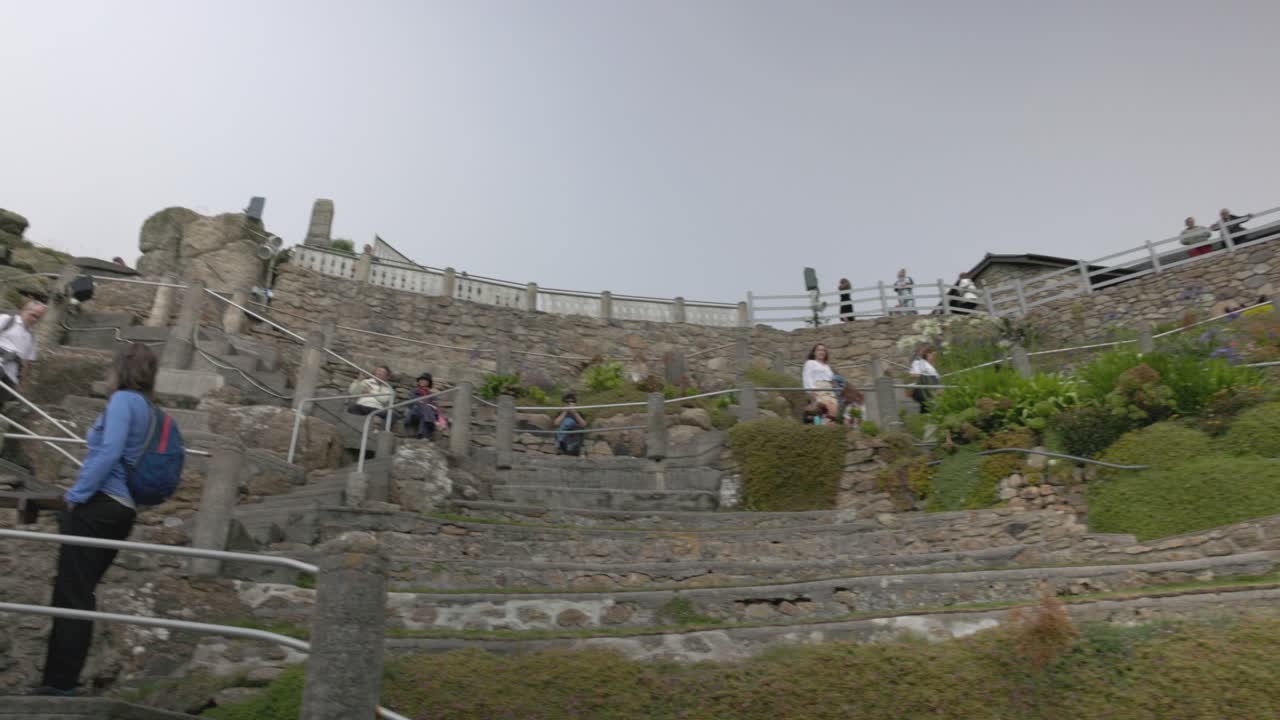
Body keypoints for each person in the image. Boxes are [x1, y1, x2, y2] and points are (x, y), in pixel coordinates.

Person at [33, 344, 157, 696]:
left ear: (122, 369)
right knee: (80, 592)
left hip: (100, 505)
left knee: (71, 594)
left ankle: (59, 684)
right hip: (124, 509)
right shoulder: (147, 407)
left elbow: (109, 451)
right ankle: (62, 680)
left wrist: (76, 495)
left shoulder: (122, 402)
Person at [0, 300, 47, 408]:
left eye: (38, 318)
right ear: (24, 310)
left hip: (11, 376)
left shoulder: (31, 338)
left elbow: (27, 363)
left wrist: (21, 382)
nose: (34, 320)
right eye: (33, 315)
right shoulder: (6, 320)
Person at [802, 343, 839, 418]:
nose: (821, 352)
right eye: (819, 350)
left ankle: (828, 426)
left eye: (823, 350)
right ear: (814, 352)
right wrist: (811, 393)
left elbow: (831, 379)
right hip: (818, 389)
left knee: (835, 411)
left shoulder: (827, 366)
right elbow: (807, 377)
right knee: (830, 409)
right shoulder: (810, 363)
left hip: (830, 391)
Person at [405, 372, 446, 440]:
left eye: (425, 380)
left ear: (428, 383)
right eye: (421, 379)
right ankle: (435, 422)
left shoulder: (432, 395)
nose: (422, 381)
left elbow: (436, 408)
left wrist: (427, 405)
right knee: (423, 405)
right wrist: (425, 404)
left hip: (425, 416)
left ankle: (421, 436)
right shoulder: (413, 391)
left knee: (425, 414)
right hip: (414, 414)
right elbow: (412, 403)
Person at [909, 345, 941, 412]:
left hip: (930, 389)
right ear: (928, 354)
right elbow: (914, 375)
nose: (934, 357)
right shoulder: (919, 362)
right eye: (933, 355)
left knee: (926, 408)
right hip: (925, 390)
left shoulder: (930, 366)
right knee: (928, 406)